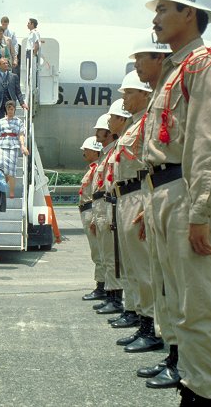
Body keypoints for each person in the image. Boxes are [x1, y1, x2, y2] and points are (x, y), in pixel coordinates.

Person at [143, 0, 211, 405]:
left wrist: (200, 210)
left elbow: (210, 140)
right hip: (167, 193)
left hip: (188, 196)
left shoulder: (204, 65)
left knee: (198, 309)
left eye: (164, 8)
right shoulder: (172, 69)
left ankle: (201, 397)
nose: (156, 17)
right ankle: (189, 383)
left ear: (190, 12)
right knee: (177, 301)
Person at [127, 31, 181, 389]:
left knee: (179, 287)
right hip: (154, 193)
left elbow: (207, 144)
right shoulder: (152, 107)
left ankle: (187, 365)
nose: (135, 66)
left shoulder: (194, 72)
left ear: (158, 58)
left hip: (177, 192)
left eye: (140, 58)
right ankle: (174, 355)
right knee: (161, 280)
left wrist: (202, 210)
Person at [109, 72, 164, 353]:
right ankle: (141, 320)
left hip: (138, 194)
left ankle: (152, 327)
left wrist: (147, 202)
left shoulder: (147, 122)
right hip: (124, 197)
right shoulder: (132, 125)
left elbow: (152, 163)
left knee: (144, 268)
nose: (123, 98)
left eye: (128, 92)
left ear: (144, 93)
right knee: (131, 266)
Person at [89, 100, 130, 317]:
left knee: (115, 256)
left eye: (100, 130)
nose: (97, 133)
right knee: (107, 255)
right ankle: (111, 295)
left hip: (113, 204)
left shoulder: (114, 151)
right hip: (104, 206)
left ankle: (116, 299)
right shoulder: (106, 155)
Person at [77, 136, 103, 307]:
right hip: (86, 211)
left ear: (95, 151)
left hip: (91, 211)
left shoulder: (97, 170)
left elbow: (97, 194)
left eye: (86, 150)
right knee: (97, 253)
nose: (83, 152)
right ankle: (102, 285)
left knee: (99, 252)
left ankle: (102, 287)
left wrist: (94, 217)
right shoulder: (92, 168)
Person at [0, 100, 29, 198]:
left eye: (12, 109)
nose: (10, 111)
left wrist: (22, 146)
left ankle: (11, 191)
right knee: (0, 167)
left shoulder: (18, 121)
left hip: (13, 145)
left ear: (14, 110)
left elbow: (21, 135)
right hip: (2, 145)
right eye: (8, 109)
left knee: (11, 170)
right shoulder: (1, 121)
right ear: (6, 109)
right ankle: (1, 189)